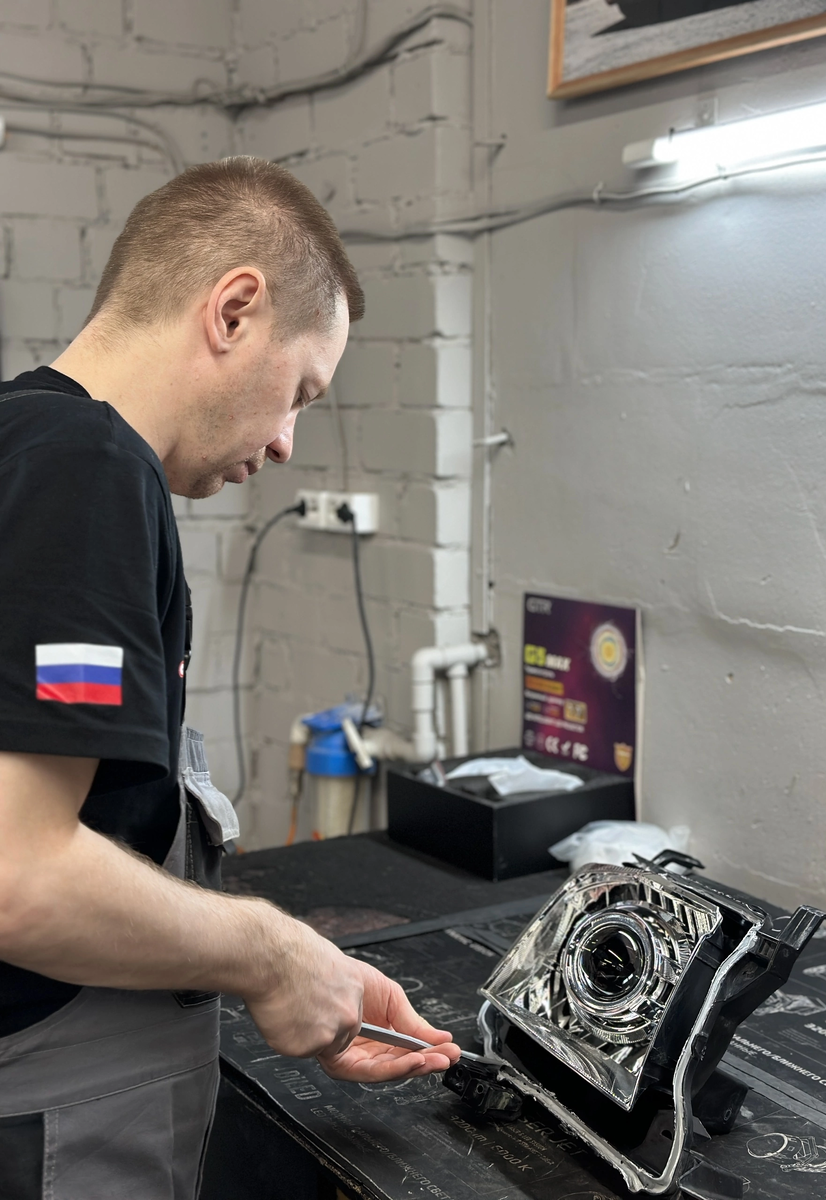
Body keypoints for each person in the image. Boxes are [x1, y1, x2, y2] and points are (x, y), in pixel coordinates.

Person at [0, 156, 460, 1199]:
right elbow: (18, 873)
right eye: (299, 392)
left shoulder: (23, 442)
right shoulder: (85, 469)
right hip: (46, 1125)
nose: (288, 442)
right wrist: (274, 955)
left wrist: (304, 973)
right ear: (234, 310)